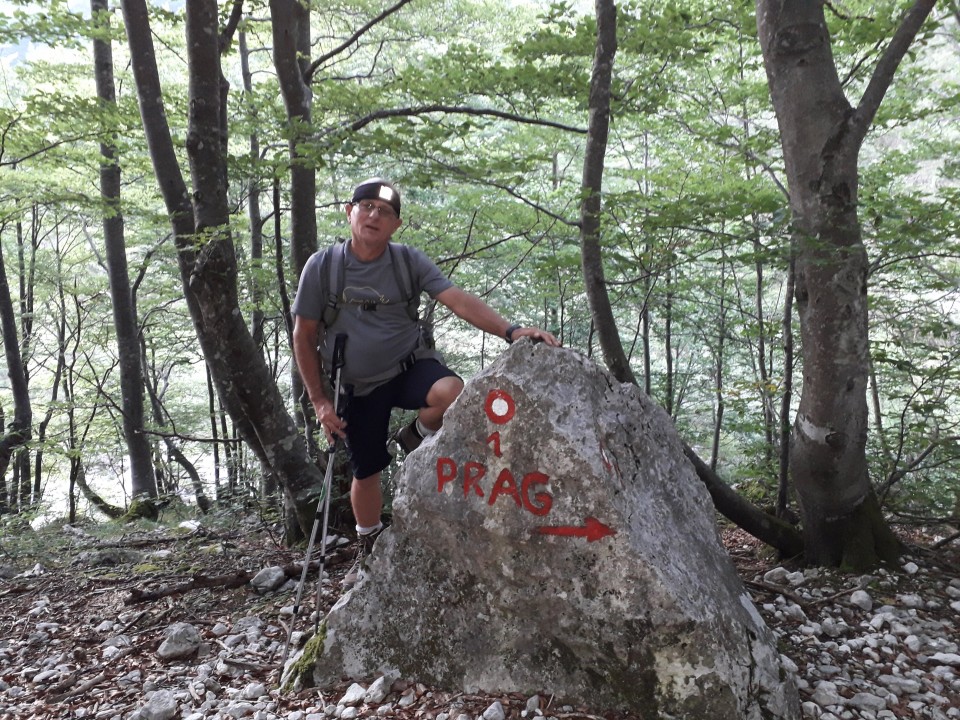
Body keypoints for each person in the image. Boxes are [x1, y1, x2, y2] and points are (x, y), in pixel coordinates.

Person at [291, 177, 560, 588]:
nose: (373, 216)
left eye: (385, 212)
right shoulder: (324, 267)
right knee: (367, 471)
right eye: (365, 206)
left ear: (396, 225)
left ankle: (416, 433)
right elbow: (304, 335)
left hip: (406, 367)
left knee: (453, 392)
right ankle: (369, 541)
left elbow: (457, 299)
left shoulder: (406, 262)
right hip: (356, 385)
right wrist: (320, 402)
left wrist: (511, 330)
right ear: (349, 212)